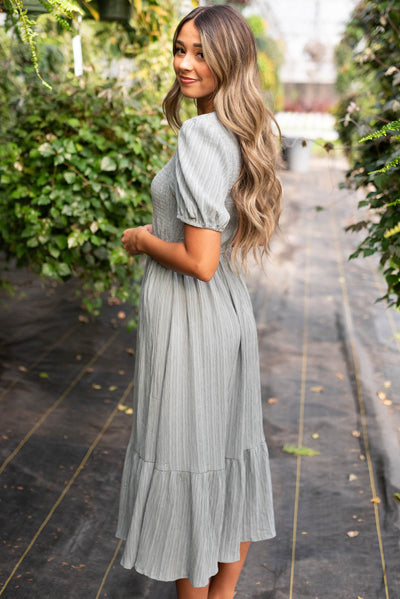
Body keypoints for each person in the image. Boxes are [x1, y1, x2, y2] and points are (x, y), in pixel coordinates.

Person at [117, 5, 282, 598]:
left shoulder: (200, 133)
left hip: (192, 321)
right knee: (227, 457)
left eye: (200, 53)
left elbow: (200, 262)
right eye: (179, 50)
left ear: (229, 60)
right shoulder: (240, 126)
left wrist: (142, 239)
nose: (185, 64)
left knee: (191, 462)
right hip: (227, 320)